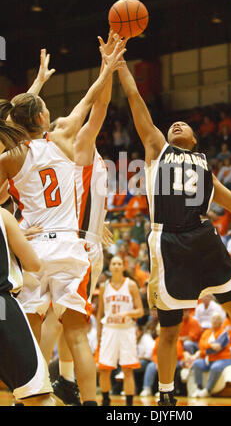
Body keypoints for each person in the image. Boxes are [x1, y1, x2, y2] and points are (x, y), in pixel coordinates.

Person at [117, 55, 231, 406]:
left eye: (184, 124)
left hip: (204, 238)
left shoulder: (204, 168)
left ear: (196, 139)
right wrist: (121, 65)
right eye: (173, 125)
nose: (177, 125)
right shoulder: (157, 149)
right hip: (168, 240)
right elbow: (137, 100)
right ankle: (167, 396)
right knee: (169, 329)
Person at [0, 39, 126, 406]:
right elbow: (91, 99)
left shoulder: (10, 157)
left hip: (34, 249)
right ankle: (89, 404)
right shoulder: (65, 135)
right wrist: (108, 67)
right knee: (77, 338)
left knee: (34, 335)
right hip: (71, 246)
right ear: (43, 119)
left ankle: (34, 399)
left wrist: (16, 224)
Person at [38, 33, 117, 405]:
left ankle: (63, 379)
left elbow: (88, 198)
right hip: (78, 245)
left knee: (69, 319)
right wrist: (108, 66)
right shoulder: (80, 146)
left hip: (85, 238)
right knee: (62, 319)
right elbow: (99, 108)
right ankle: (44, 378)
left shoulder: (75, 156)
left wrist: (101, 224)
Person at [0, 201, 54, 406]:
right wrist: (16, 240)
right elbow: (34, 263)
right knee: (38, 396)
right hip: (2, 308)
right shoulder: (4, 216)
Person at [96, 255, 144, 406]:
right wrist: (98, 334)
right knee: (104, 369)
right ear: (110, 267)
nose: (116, 266)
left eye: (119, 264)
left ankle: (129, 404)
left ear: (123, 267)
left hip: (126, 330)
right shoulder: (104, 287)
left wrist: (127, 313)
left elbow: (141, 311)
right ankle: (105, 400)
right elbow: (100, 314)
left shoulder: (131, 285)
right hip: (109, 330)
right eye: (113, 264)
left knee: (128, 370)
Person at [191, 312, 231, 398]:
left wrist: (205, 348)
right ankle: (199, 388)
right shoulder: (206, 332)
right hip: (208, 359)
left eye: (217, 319)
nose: (215, 321)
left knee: (215, 367)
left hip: (223, 359)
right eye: (213, 319)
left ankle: (208, 390)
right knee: (196, 364)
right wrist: (210, 345)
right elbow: (200, 344)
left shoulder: (224, 333)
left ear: (221, 322)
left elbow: (217, 349)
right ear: (210, 320)